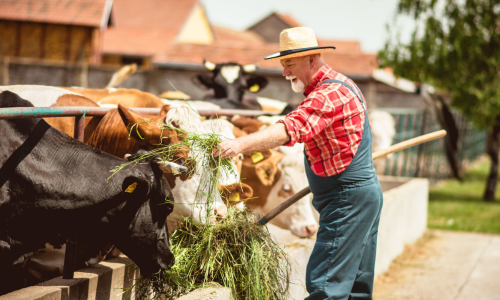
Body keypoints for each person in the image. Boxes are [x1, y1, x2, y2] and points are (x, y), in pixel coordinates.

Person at [214, 27, 383, 300]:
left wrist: (239, 145)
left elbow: (290, 128)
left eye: (289, 64)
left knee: (326, 284)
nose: (284, 72)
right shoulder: (342, 85)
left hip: (346, 201)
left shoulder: (328, 95)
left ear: (312, 60)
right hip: (359, 198)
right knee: (355, 288)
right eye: (283, 65)